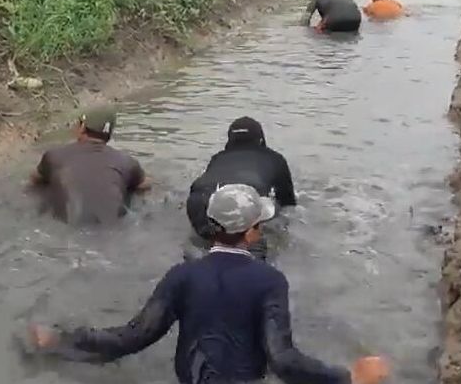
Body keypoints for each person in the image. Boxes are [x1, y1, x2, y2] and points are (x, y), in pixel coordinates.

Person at [27, 184, 390, 384]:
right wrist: (347, 377)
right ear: (251, 233)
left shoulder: (181, 275)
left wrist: (62, 339)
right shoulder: (269, 280)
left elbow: (131, 337)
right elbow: (282, 359)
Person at [186, 117, 296, 259]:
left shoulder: (218, 157)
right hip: (247, 195)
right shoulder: (275, 159)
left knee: (204, 245)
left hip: (197, 200)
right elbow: (288, 201)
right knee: (252, 255)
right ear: (261, 138)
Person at [29, 108, 150, 225]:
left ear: (81, 128)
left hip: (66, 229)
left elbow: (35, 179)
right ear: (109, 135)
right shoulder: (127, 162)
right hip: (114, 230)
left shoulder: (54, 156)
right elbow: (145, 185)